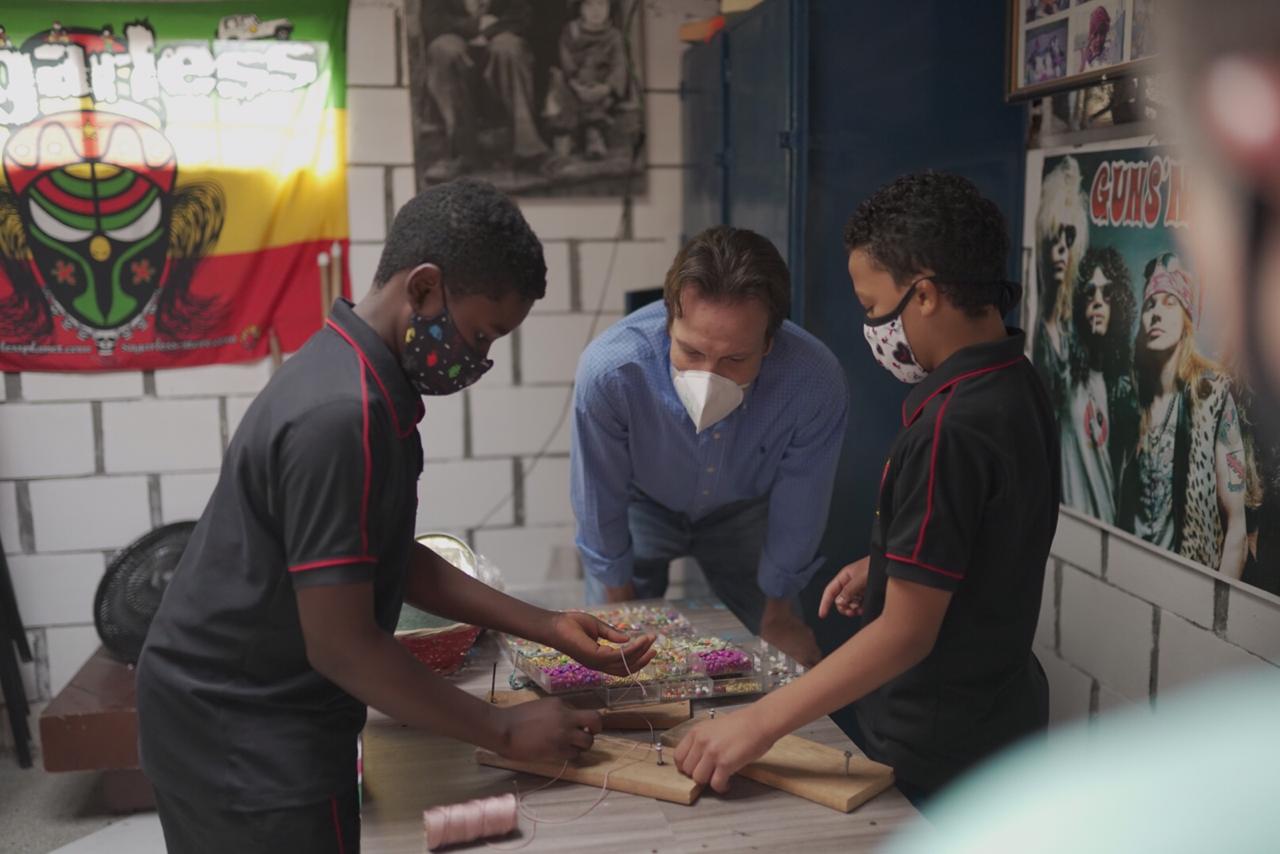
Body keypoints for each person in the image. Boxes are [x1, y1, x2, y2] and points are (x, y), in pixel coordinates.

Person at [136, 179, 656, 853]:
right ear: (424, 287)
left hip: (256, 704)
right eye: (480, 333)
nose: (479, 359)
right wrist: (502, 729)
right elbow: (342, 645)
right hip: (239, 725)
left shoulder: (365, 381)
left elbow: (389, 555)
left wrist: (548, 626)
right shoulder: (341, 415)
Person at [883, 4, 1280, 849]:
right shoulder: (1030, 377)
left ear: (1252, 132)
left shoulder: (1100, 818)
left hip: (959, 735)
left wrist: (762, 720)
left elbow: (907, 628)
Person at [673, 173, 1058, 807]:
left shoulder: (949, 427)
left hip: (937, 746)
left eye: (874, 305)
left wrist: (757, 722)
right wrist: (890, 561)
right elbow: (989, 539)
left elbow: (906, 634)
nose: (872, 325)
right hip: (1004, 717)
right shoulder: (1015, 381)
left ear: (926, 295)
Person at [570, 226, 848, 667]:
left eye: (735, 359)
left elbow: (802, 503)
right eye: (691, 352)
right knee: (609, 656)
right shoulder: (611, 372)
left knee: (784, 658)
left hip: (744, 510)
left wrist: (777, 614)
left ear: (769, 343)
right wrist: (618, 615)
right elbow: (599, 498)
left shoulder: (813, 381)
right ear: (669, 319)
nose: (709, 375)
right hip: (644, 503)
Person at [1117, 254, 1248, 577]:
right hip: (1131, 580)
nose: (1157, 313)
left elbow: (1237, 532)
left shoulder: (1210, 398)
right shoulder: (1131, 401)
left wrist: (1210, 616)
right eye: (1150, 305)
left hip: (1186, 588)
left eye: (1169, 302)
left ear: (1186, 318)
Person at [421, 0, 549, 181]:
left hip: (498, 38)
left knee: (509, 48)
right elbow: (432, 21)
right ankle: (460, 152)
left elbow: (523, 16)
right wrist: (474, 26)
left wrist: (490, 31)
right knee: (443, 49)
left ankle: (528, 148)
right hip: (456, 38)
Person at [1060, 246, 1138, 522]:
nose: (1097, 301)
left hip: (1111, 539)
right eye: (1090, 292)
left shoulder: (1124, 390)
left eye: (1107, 294)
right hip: (1067, 534)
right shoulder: (1064, 374)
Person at [1030, 156, 1090, 398]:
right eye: (1055, 234)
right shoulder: (1035, 332)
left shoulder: (1070, 334)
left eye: (1069, 235)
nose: (1062, 246)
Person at [544, 0, 627, 161]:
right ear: (580, 8)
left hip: (599, 87)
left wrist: (608, 87)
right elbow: (565, 58)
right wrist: (575, 82)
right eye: (589, 5)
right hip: (574, 85)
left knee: (592, 68)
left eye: (601, 5)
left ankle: (593, 133)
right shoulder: (571, 31)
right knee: (557, 79)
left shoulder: (614, 36)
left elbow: (619, 66)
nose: (596, 11)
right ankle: (564, 134)